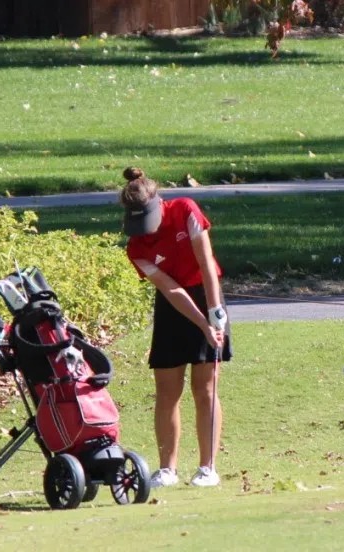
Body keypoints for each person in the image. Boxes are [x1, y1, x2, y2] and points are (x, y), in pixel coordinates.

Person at [120, 167, 232, 488]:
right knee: (167, 391)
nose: (145, 230)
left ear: (160, 202)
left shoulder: (185, 210)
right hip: (173, 307)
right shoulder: (136, 247)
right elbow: (170, 290)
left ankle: (207, 468)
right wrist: (201, 323)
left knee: (205, 388)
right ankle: (167, 469)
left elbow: (206, 263)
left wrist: (213, 314)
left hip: (206, 293)